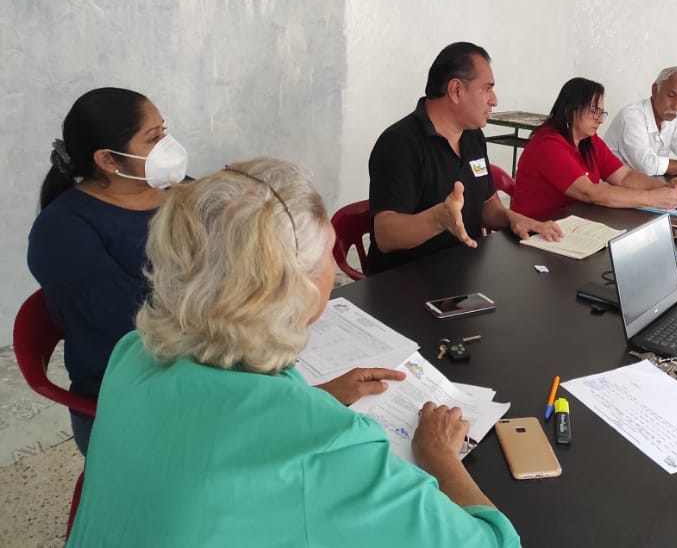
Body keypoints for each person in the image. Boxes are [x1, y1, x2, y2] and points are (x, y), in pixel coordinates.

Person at [67, 159, 519, 547]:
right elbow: (493, 542)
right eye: (326, 258)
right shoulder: (329, 447)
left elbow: (216, 429)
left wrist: (310, 397)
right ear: (291, 293)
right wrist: (439, 456)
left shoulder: (133, 353)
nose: (333, 272)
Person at [26, 87, 188, 455]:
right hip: (130, 386)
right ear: (107, 159)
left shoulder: (180, 191)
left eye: (164, 131)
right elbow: (136, 326)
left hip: (199, 360)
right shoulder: (63, 232)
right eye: (153, 137)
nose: (168, 145)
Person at [367, 42, 562, 274]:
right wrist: (439, 219)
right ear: (456, 90)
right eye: (487, 88)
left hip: (465, 271)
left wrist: (512, 218)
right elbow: (386, 235)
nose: (494, 100)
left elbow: (486, 204)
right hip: (405, 282)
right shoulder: (400, 144)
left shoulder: (472, 136)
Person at [510, 77, 677, 219]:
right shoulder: (548, 145)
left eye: (602, 112)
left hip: (572, 223)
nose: (600, 120)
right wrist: (652, 198)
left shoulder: (589, 140)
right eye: (593, 111)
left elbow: (624, 176)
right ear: (569, 109)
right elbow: (590, 193)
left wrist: (664, 188)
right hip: (537, 231)